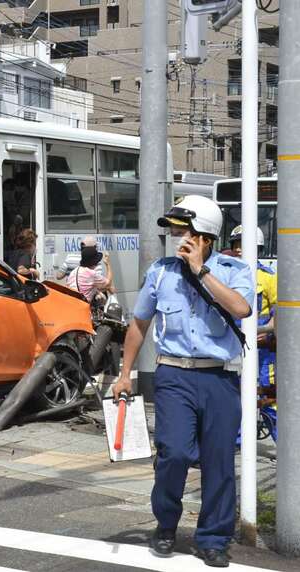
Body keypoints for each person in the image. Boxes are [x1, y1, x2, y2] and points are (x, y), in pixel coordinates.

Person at [111, 195, 252, 568]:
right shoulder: (160, 272)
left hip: (220, 377)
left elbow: (241, 309)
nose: (178, 238)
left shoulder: (234, 270)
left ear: (205, 235)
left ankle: (213, 538)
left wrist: (201, 271)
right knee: (173, 453)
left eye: (184, 230)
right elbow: (139, 324)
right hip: (173, 374)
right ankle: (166, 524)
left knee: (219, 461)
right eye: (175, 231)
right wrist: (124, 375)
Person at [230, 225, 278, 441]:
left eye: (244, 245)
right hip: (233, 347)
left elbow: (282, 316)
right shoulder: (227, 275)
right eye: (236, 244)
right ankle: (237, 443)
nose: (239, 249)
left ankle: (287, 451)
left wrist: (267, 332)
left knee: (269, 399)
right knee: (234, 397)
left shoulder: (269, 278)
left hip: (263, 351)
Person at [67, 237, 113, 304]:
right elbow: (108, 284)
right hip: (83, 307)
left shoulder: (73, 272)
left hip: (73, 304)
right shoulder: (91, 274)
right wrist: (108, 264)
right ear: (93, 263)